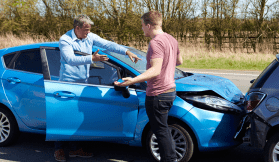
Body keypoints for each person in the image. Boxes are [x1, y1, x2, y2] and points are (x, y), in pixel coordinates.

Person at [54, 14, 141, 162]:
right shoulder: (65, 40)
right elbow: (70, 60)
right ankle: (58, 149)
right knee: (65, 117)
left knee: (79, 117)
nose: (88, 33)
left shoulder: (89, 36)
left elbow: (108, 44)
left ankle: (75, 149)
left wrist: (127, 52)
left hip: (83, 83)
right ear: (77, 28)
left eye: (89, 30)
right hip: (68, 84)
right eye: (86, 30)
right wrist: (92, 59)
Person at [114, 11, 183, 162]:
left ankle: (169, 160)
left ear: (149, 25)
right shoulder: (171, 39)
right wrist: (166, 63)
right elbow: (179, 61)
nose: (142, 29)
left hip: (158, 93)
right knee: (163, 129)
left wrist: (132, 80)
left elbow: (155, 70)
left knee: (161, 131)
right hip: (170, 90)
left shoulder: (156, 42)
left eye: (142, 26)